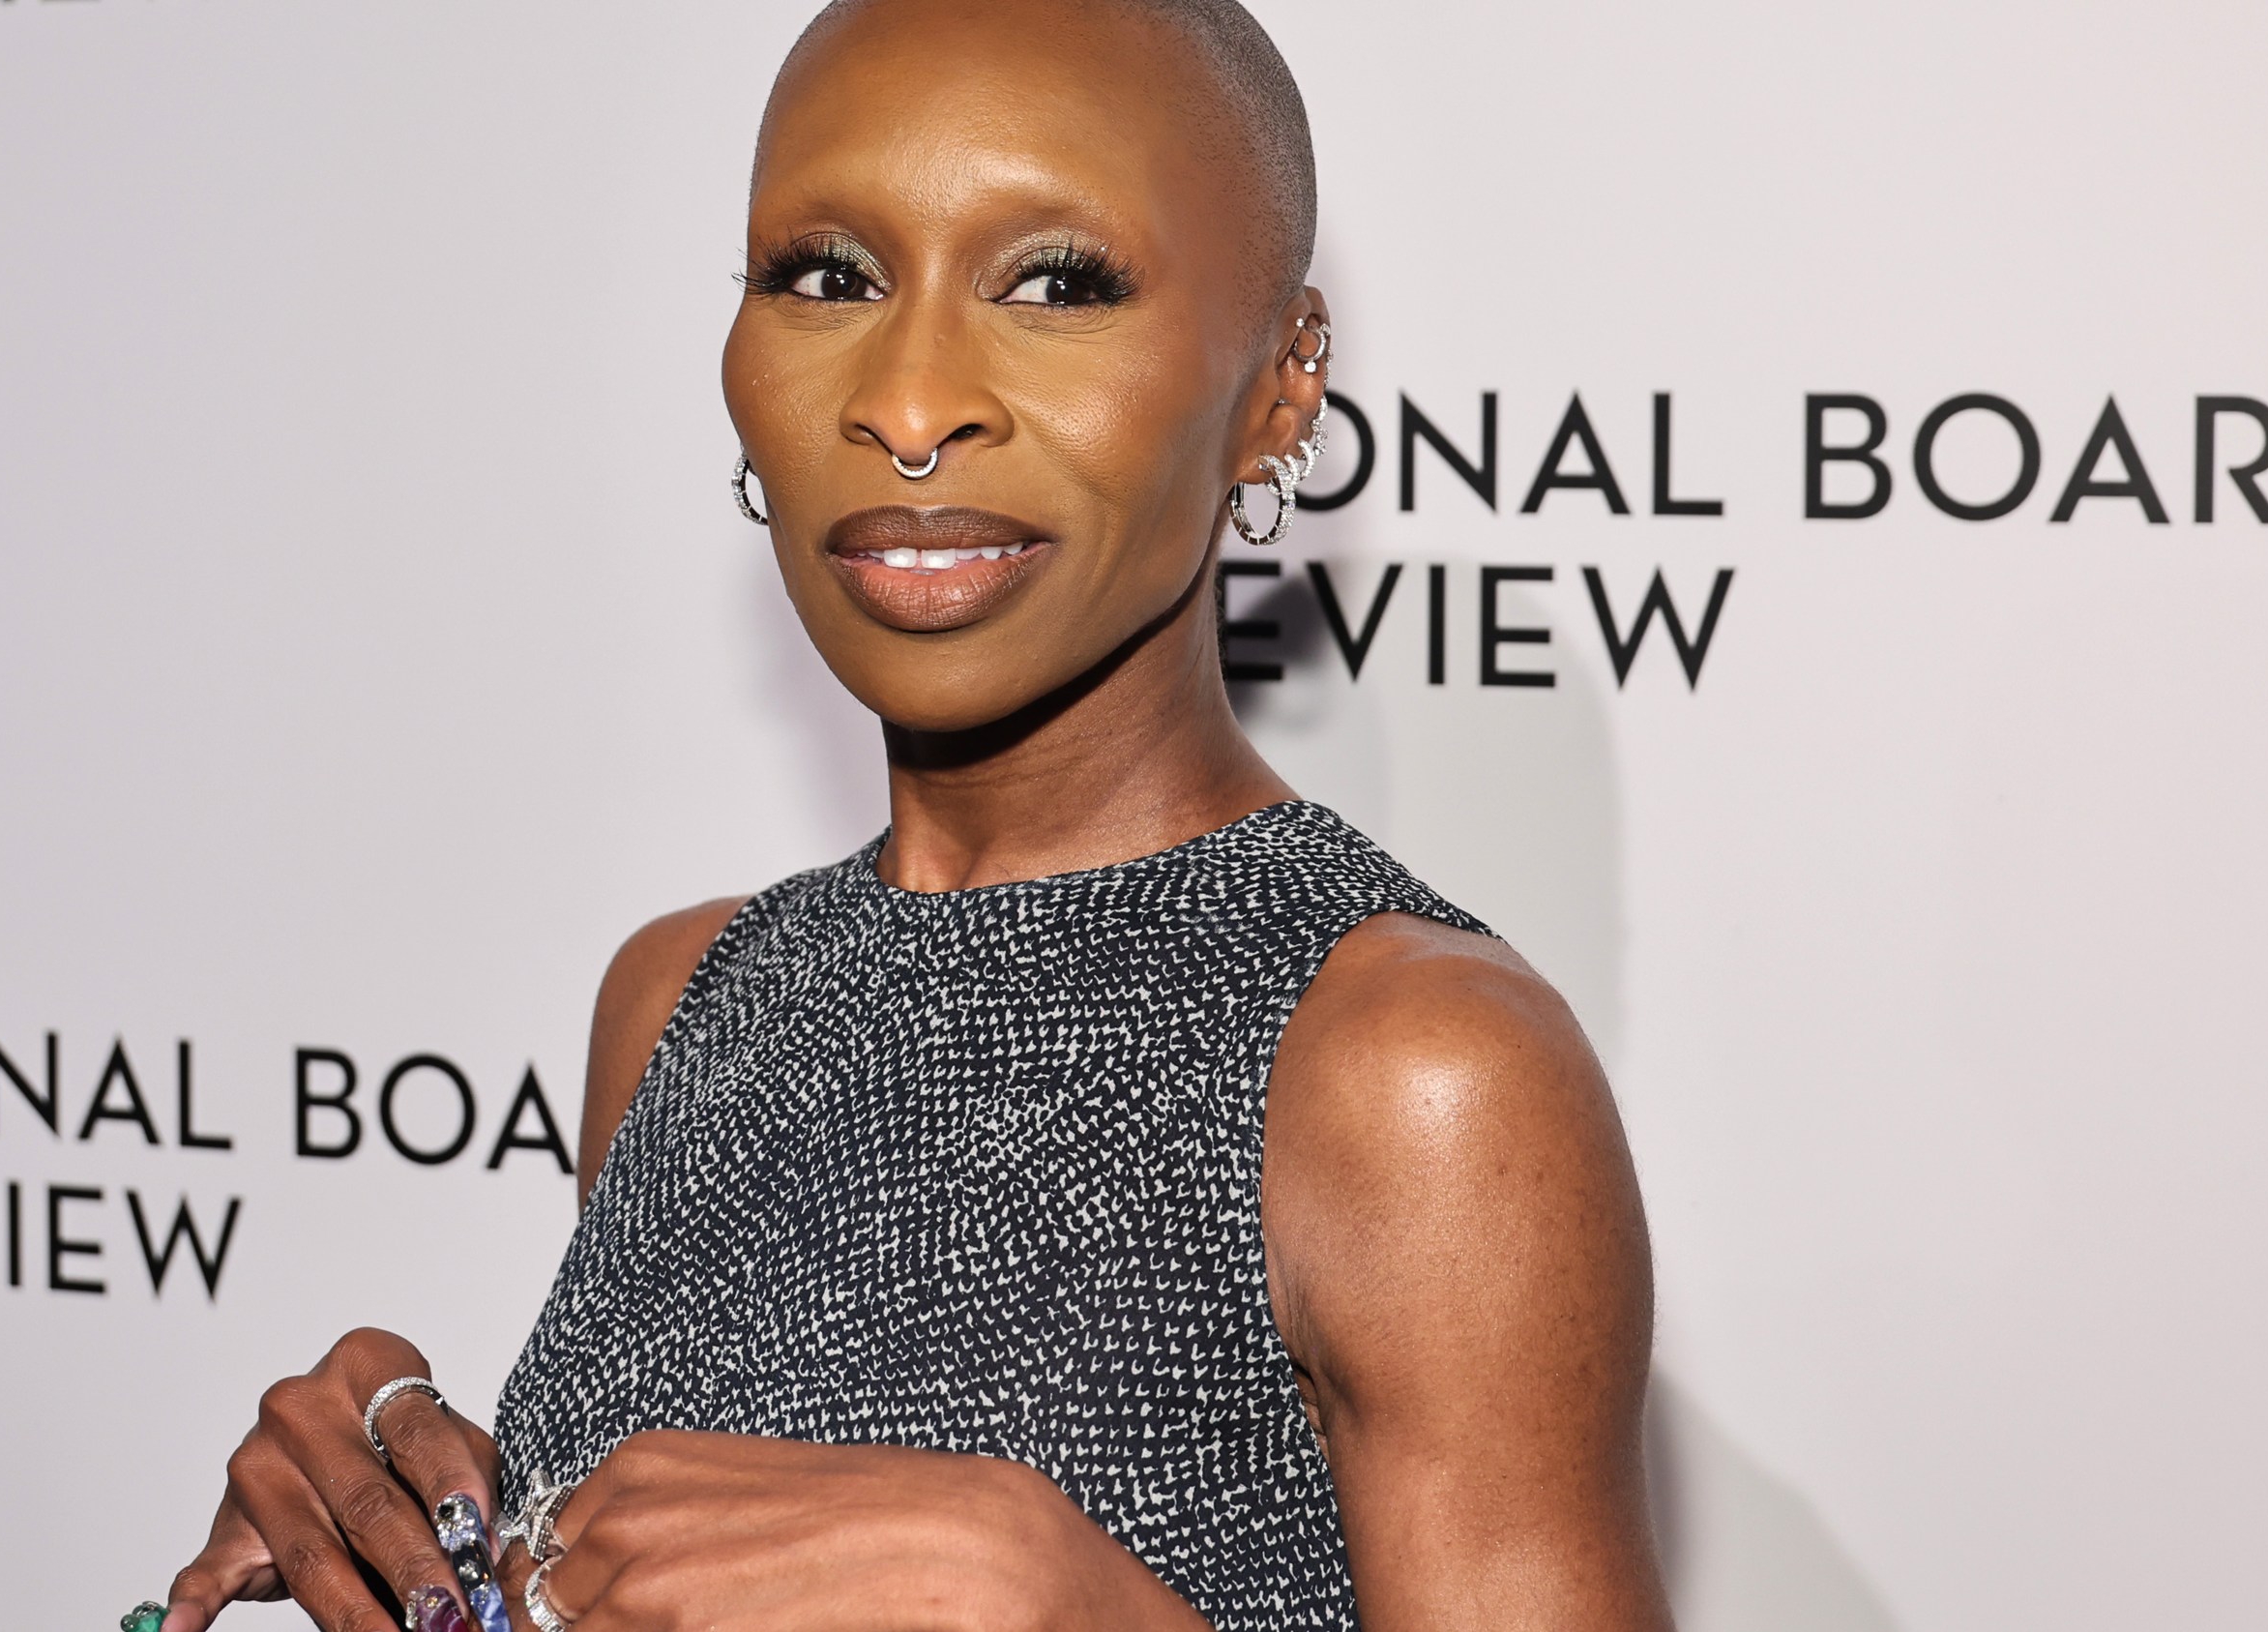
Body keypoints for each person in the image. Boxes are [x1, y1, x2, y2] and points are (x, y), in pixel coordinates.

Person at [156, 2, 1669, 1628]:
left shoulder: (1414, 1074)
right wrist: (431, 1540)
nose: (912, 396)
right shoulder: (683, 997)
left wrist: (1083, 1609)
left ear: (1280, 386)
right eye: (828, 276)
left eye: (1058, 284)